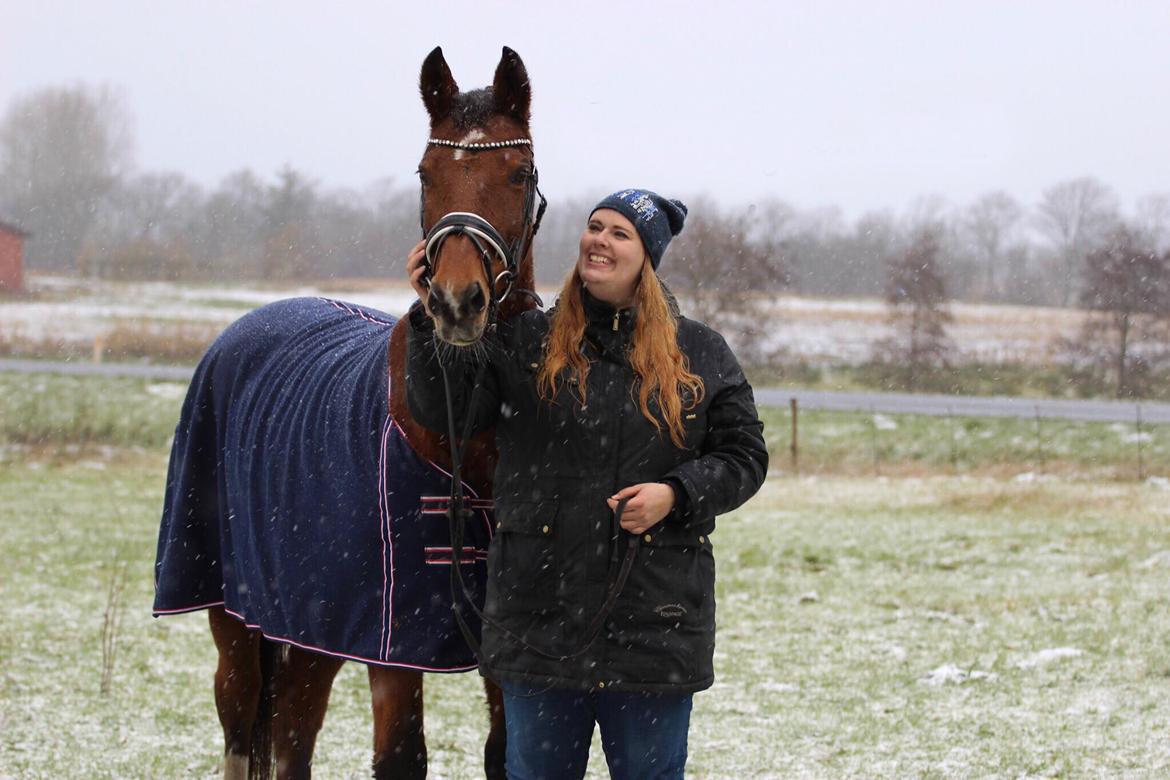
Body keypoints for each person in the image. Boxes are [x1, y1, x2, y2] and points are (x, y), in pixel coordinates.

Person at [405, 189, 768, 780]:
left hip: (655, 627)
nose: (600, 239)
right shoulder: (527, 341)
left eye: (620, 233)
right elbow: (445, 409)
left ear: (647, 256)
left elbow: (745, 455)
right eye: (594, 227)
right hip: (539, 622)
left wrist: (676, 493)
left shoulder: (698, 351)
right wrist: (431, 317)